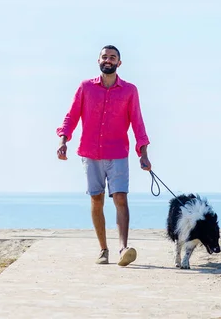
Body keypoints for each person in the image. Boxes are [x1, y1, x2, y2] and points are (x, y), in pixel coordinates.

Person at [56, 45, 151, 267]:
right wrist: (63, 140)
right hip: (90, 152)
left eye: (113, 57)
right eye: (104, 57)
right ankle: (103, 249)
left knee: (120, 198)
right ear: (98, 60)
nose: (108, 60)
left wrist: (143, 153)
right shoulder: (86, 87)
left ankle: (123, 248)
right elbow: (71, 116)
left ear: (119, 63)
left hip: (117, 153)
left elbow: (137, 122)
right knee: (96, 199)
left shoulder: (129, 90)